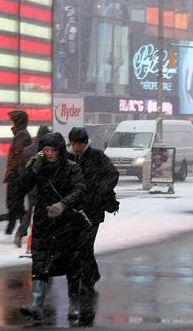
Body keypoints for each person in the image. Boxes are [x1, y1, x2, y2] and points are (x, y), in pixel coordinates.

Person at [18, 132, 86, 321]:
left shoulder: (71, 168)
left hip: (67, 223)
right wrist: (32, 169)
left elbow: (80, 190)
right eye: (45, 150)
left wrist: (63, 205)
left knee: (71, 264)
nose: (49, 154)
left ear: (60, 150)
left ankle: (74, 305)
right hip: (43, 221)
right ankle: (36, 304)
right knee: (40, 262)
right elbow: (23, 187)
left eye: (53, 150)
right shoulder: (39, 167)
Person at [67, 127, 120, 318]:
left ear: (85, 142)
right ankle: (92, 273)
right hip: (74, 211)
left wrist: (98, 191)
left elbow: (113, 175)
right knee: (77, 246)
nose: (76, 147)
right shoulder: (68, 158)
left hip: (93, 210)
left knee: (85, 244)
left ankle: (87, 281)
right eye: (73, 144)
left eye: (79, 144)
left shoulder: (97, 156)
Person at [14, 125, 51, 248]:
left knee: (30, 211)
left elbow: (21, 169)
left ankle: (21, 232)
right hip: (44, 187)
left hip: (31, 187)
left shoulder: (27, 150)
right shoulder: (47, 151)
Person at [3, 110, 32, 236]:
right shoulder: (20, 134)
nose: (11, 123)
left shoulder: (22, 135)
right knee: (14, 202)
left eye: (13, 120)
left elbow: (19, 156)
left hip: (16, 174)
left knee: (14, 202)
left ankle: (17, 227)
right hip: (16, 173)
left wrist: (13, 172)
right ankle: (17, 226)